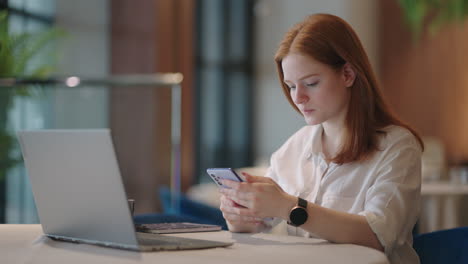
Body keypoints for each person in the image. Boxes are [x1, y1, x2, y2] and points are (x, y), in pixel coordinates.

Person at [218, 13, 423, 264]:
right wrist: (241, 219)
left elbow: (377, 236)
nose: (298, 98)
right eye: (291, 86)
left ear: (348, 74)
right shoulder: (293, 148)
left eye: (311, 83)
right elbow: (263, 227)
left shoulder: (397, 147)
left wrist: (288, 206)